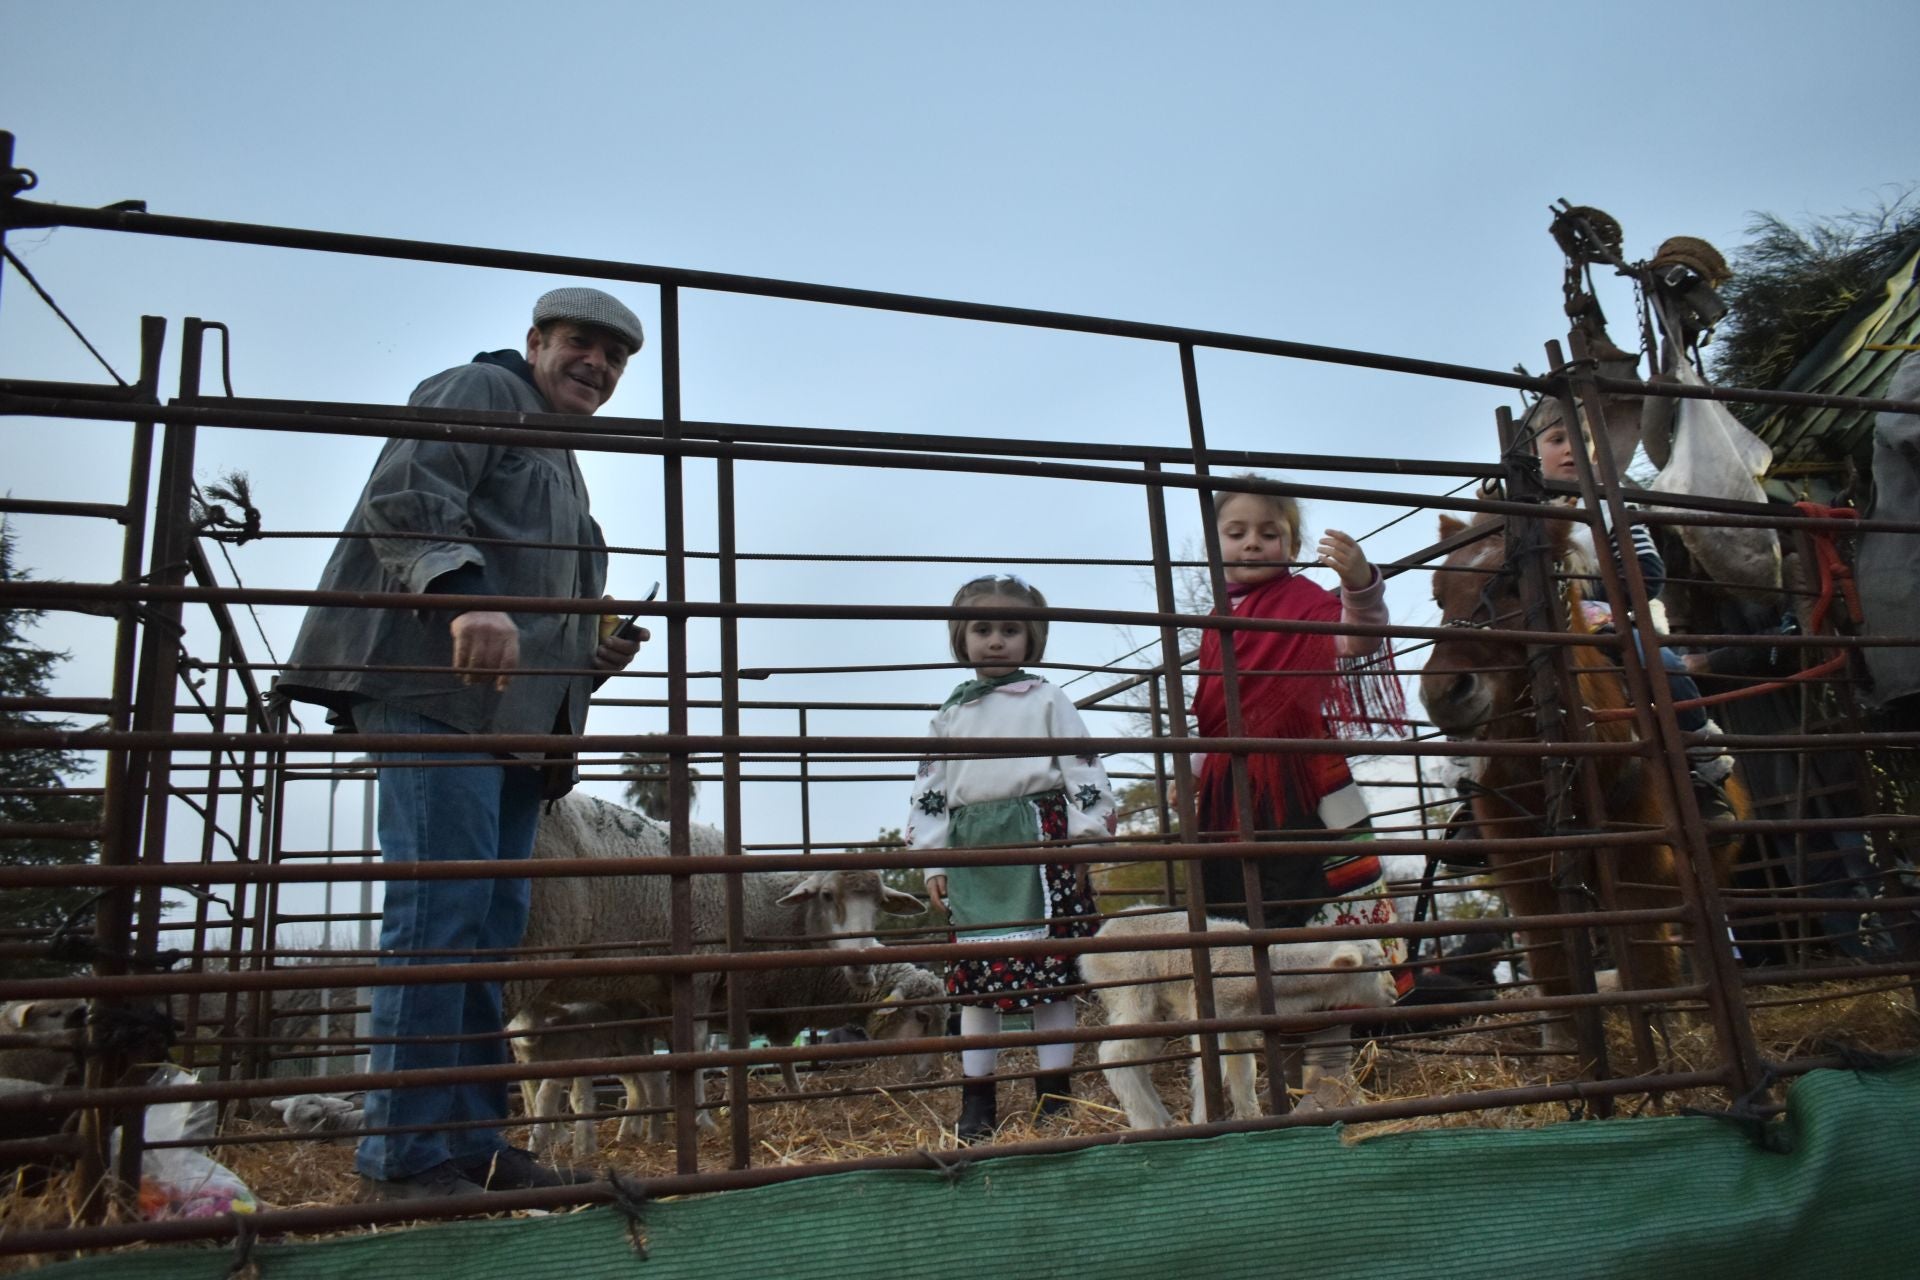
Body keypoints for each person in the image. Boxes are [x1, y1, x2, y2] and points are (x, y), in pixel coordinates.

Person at [274, 287, 647, 1201]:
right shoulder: (481, 391)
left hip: (516, 724)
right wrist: (464, 594)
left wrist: (591, 657)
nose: (594, 365)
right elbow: (410, 494)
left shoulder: (565, 465)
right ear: (536, 343)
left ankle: (475, 1144)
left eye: (612, 357)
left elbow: (537, 620)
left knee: (488, 927)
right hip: (437, 695)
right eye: (578, 344)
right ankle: (402, 1158)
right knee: (440, 915)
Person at [1184, 479, 1410, 1109]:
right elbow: (1212, 713)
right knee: (1246, 923)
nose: (1253, 542)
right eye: (1237, 533)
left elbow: (1357, 638)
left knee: (1316, 912)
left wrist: (1362, 584)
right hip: (1230, 795)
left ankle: (1331, 1070)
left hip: (1300, 783)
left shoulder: (1305, 599)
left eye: (1269, 532)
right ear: (1216, 544)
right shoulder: (1214, 623)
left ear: (1292, 543)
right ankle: (1279, 1076)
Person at [907, 575, 1116, 1142]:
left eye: (1009, 629)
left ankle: (1055, 1097)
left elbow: (1083, 766)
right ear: (961, 637)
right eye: (982, 629)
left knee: (1052, 977)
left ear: (1032, 639)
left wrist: (1087, 836)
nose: (995, 641)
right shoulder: (950, 714)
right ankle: (978, 1102)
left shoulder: (1049, 698)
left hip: (1041, 842)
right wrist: (933, 859)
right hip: (974, 850)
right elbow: (932, 786)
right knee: (977, 981)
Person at [1533, 415, 1734, 819]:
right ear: (1531, 455)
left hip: (1610, 623)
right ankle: (1474, 791)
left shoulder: (1608, 503)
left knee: (1661, 664)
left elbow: (1646, 569)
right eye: (1557, 439)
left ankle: (1701, 766)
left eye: (1584, 438)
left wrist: (1586, 602)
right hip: (1537, 630)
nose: (1572, 448)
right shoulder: (1520, 514)